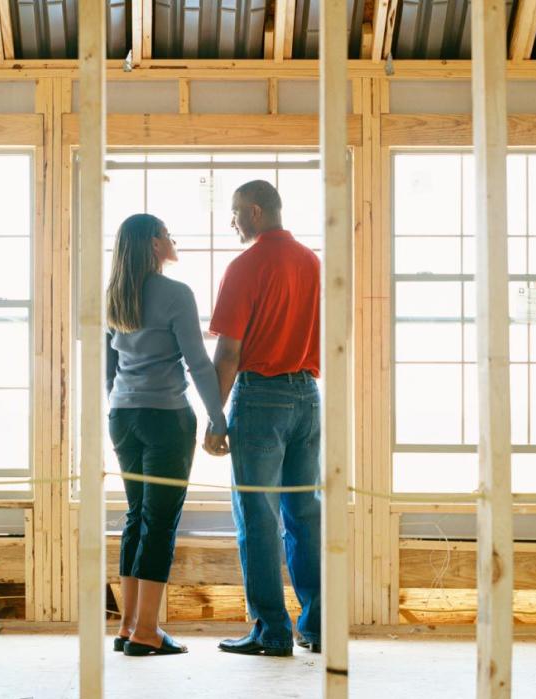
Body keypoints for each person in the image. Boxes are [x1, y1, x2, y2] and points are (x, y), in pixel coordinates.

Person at [205, 180, 322, 657]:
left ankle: (271, 630)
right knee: (304, 515)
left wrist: (215, 418)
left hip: (261, 397)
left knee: (257, 517)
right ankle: (317, 627)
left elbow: (229, 351)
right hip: (308, 395)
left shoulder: (245, 266)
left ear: (255, 212)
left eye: (234, 213)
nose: (231, 222)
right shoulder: (312, 262)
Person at [105, 213, 227, 657]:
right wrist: (219, 418)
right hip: (166, 418)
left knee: (137, 516)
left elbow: (108, 370)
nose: (172, 239)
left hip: (123, 416)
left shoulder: (113, 296)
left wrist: (122, 400)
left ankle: (127, 627)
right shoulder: (176, 294)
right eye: (167, 233)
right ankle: (147, 633)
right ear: (154, 245)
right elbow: (197, 364)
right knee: (160, 523)